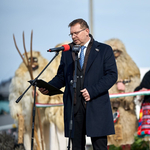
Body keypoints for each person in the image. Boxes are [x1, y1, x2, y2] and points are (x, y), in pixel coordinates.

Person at [39, 18, 118, 150]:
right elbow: (62, 77)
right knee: (76, 146)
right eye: (71, 34)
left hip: (96, 105)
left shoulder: (104, 50)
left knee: (99, 146)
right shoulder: (67, 52)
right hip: (74, 108)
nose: (73, 36)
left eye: (76, 33)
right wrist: (48, 86)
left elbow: (111, 75)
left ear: (87, 31)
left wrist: (92, 91)